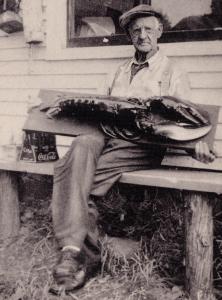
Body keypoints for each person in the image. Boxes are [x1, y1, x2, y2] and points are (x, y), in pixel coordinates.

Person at [49, 4, 216, 295]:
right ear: (128, 35)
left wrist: (196, 145)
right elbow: (98, 106)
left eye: (149, 29)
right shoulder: (117, 71)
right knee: (81, 143)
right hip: (107, 136)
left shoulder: (173, 71)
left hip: (143, 145)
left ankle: (74, 254)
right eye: (136, 30)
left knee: (74, 179)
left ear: (160, 32)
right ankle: (83, 256)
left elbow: (187, 118)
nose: (143, 35)